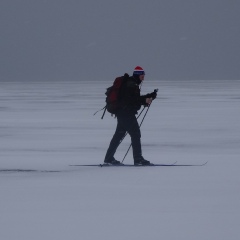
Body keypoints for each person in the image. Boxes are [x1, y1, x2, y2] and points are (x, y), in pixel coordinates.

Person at [104, 66, 157, 165]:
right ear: (137, 75)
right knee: (135, 134)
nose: (143, 78)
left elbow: (134, 99)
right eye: (142, 76)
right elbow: (131, 100)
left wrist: (149, 96)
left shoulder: (131, 84)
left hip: (123, 113)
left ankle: (109, 158)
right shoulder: (131, 85)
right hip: (126, 114)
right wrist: (145, 100)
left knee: (118, 136)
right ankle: (138, 159)